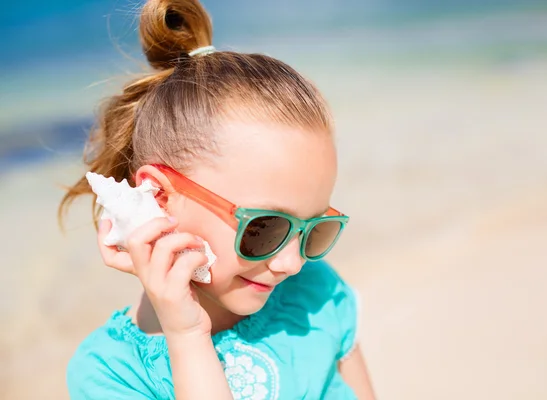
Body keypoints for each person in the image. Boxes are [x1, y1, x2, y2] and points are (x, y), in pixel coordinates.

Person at [59, 0, 375, 398]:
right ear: (158, 195)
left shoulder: (316, 295)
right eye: (265, 228)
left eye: (315, 230)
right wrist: (187, 334)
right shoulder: (111, 374)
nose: (293, 264)